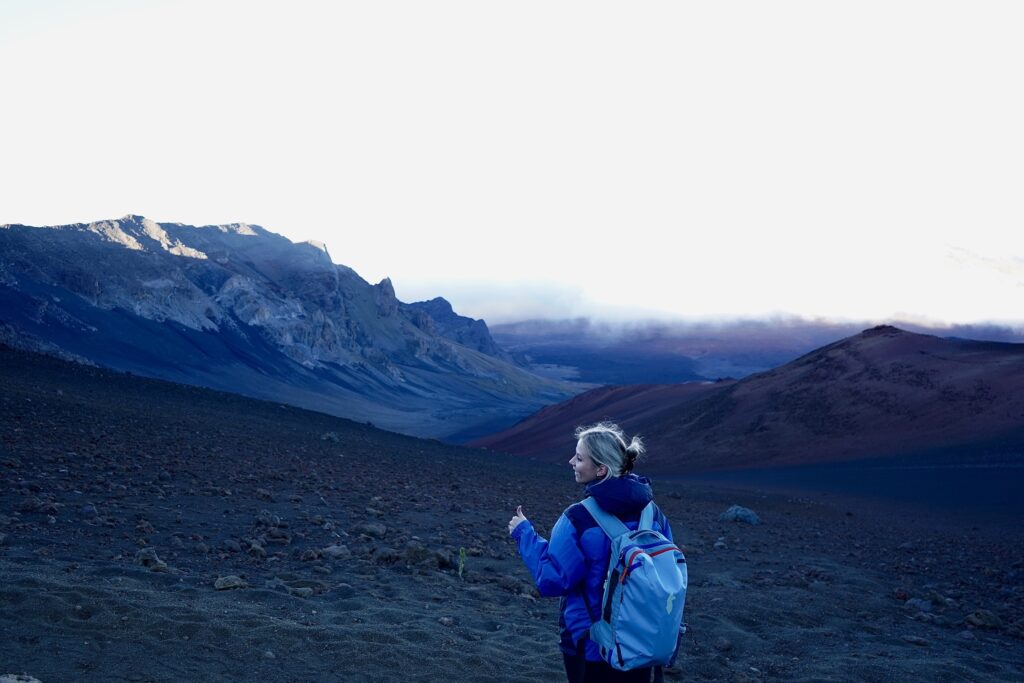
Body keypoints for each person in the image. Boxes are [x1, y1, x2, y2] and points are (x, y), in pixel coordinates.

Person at [507, 422, 675, 683]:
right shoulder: (654, 515)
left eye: (579, 457)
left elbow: (554, 579)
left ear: (601, 469)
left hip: (591, 643)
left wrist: (524, 534)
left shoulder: (578, 518)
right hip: (643, 638)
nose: (571, 461)